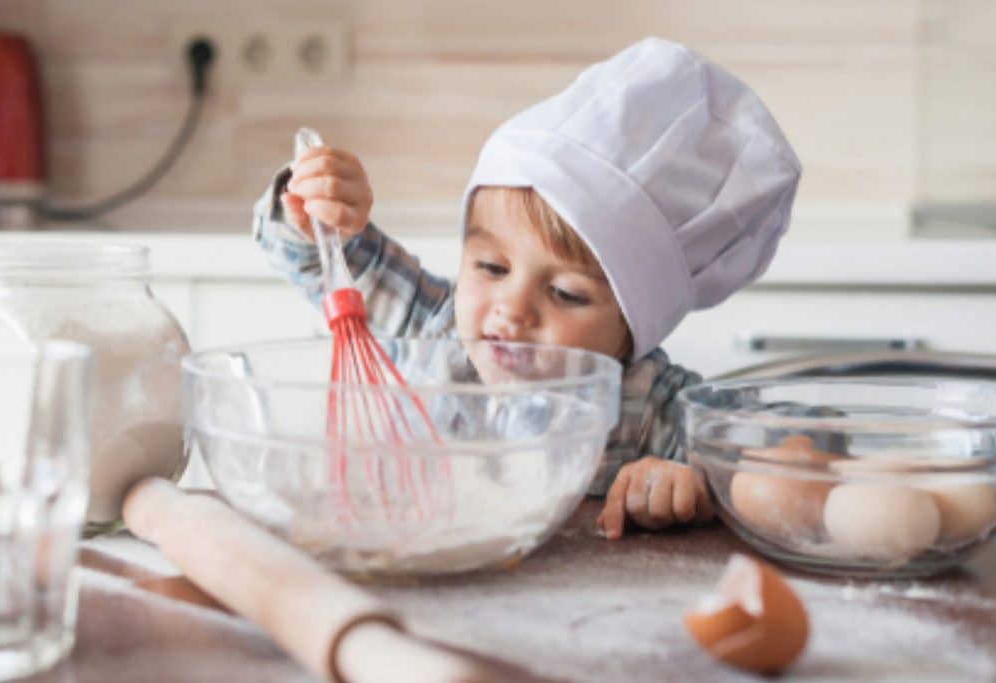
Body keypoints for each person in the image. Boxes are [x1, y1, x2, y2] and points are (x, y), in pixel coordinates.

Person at [252, 37, 801, 539]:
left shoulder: (651, 406)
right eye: (491, 267)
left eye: (565, 293)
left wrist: (687, 482)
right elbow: (312, 256)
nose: (512, 311)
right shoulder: (430, 327)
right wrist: (313, 208)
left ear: (636, 326)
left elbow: (779, 459)